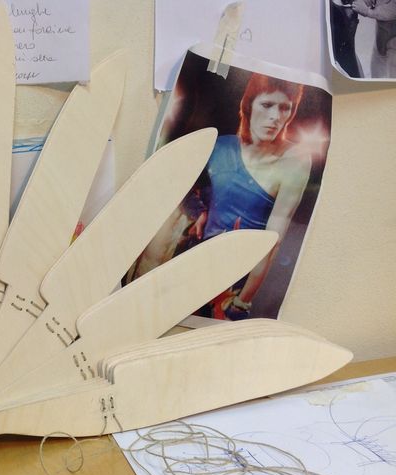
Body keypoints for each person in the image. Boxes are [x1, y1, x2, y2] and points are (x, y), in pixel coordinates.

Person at [130, 73, 311, 321]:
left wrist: (242, 301)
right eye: (267, 105)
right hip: (193, 264)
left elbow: (274, 240)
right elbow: (182, 190)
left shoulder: (295, 160)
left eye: (284, 108)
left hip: (234, 281)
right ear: (249, 105)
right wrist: (199, 212)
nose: (275, 117)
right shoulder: (220, 147)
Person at [351, 0, 396, 77]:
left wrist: (368, 11)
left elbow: (392, 10)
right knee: (376, 67)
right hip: (381, 36)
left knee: (392, 72)